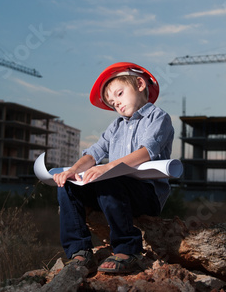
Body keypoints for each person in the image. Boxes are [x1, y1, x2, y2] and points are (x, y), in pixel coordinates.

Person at [53, 62, 174, 274]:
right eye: (111, 102)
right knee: (68, 185)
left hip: (145, 194)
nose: (116, 103)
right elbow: (93, 153)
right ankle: (79, 250)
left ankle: (127, 249)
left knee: (109, 178)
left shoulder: (158, 117)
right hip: (110, 191)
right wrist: (73, 170)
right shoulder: (116, 126)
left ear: (139, 84)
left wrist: (107, 168)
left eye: (119, 94)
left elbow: (147, 151)